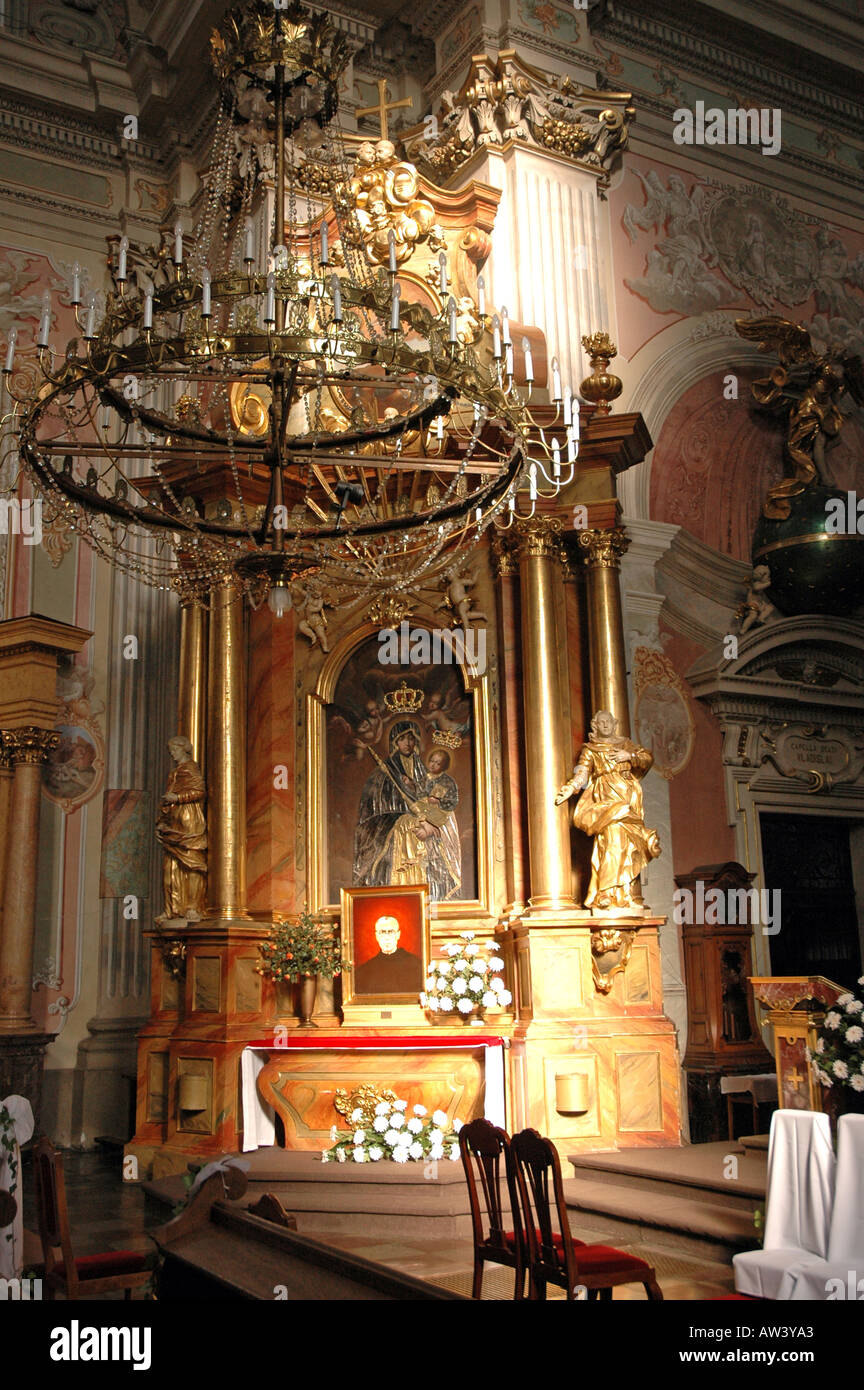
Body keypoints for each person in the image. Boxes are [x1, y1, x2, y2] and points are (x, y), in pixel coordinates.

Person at [556, 709, 660, 912]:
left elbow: (647, 758)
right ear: (595, 726)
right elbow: (583, 772)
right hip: (607, 799)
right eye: (600, 723)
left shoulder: (626, 744)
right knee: (611, 841)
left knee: (628, 846)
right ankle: (605, 892)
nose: (604, 726)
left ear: (614, 724)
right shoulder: (591, 750)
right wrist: (571, 786)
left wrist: (628, 755)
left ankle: (623, 894)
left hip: (628, 797)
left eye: (608, 722)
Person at [353, 721, 459, 901]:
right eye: (403, 739)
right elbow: (374, 811)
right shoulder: (383, 773)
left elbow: (439, 803)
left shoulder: (426, 771)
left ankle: (429, 897)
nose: (408, 743)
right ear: (395, 742)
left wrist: (430, 822)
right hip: (395, 831)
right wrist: (406, 820)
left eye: (411, 738)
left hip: (425, 830)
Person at [155, 734, 207, 921]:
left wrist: (178, 798)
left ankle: (193, 907)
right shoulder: (174, 772)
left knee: (192, 863)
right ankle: (172, 909)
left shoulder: (190, 768)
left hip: (189, 821)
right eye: (171, 752)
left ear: (183, 749)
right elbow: (168, 796)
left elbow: (199, 791)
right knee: (170, 869)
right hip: (174, 821)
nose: (173, 755)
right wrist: (162, 820)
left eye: (175, 750)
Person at [353, 915, 423, 994]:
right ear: (377, 936)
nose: (387, 937)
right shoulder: (364, 972)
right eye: (382, 932)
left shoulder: (416, 965)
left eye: (391, 932)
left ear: (398, 934)